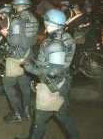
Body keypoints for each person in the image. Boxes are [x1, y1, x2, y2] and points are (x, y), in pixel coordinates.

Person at [24, 9, 79, 139]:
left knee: (40, 115)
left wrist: (32, 70)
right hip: (63, 81)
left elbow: (54, 71)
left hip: (54, 84)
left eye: (46, 22)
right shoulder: (66, 36)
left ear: (49, 23)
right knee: (62, 115)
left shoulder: (55, 44)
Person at [0, 0, 39, 123]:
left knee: (7, 85)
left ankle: (16, 113)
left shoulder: (17, 20)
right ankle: (27, 112)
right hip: (28, 55)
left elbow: (13, 41)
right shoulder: (33, 18)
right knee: (24, 86)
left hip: (16, 57)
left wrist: (5, 34)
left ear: (17, 5)